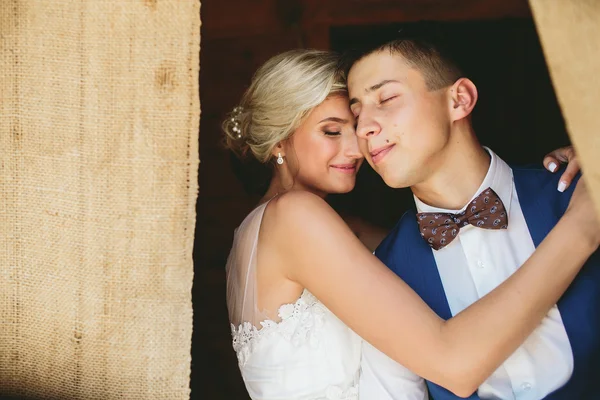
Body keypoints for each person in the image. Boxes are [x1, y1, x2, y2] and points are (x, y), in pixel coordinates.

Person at [222, 49, 597, 400]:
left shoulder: (272, 233)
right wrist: (581, 224)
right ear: (278, 143)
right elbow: (452, 362)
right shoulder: (295, 216)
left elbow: (447, 253)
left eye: (355, 127)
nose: (357, 149)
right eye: (332, 131)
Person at [346, 38, 600, 399]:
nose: (364, 128)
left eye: (386, 99)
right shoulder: (384, 273)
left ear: (459, 99)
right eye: (356, 115)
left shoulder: (578, 190)